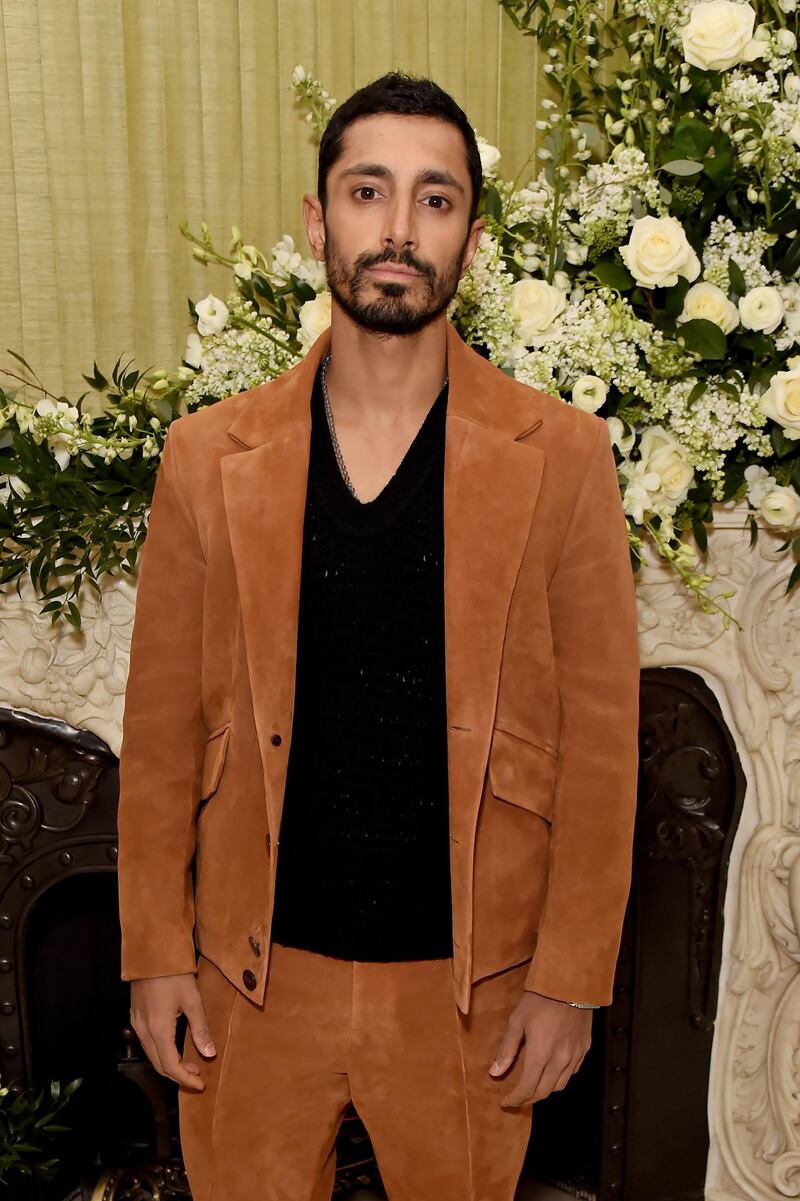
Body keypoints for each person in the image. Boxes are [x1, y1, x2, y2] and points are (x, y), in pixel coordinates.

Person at [117, 72, 641, 1201]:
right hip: (249, 991)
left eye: (434, 199)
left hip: (470, 1000)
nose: (397, 229)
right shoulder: (209, 458)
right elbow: (159, 734)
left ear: (470, 237)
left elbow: (602, 746)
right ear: (318, 221)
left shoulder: (562, 459)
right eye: (367, 191)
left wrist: (569, 979)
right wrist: (154, 950)